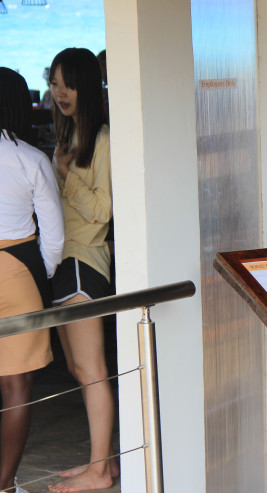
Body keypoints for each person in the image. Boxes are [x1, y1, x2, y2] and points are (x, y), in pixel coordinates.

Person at [47, 48, 117, 493]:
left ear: (86, 85)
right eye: (54, 83)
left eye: (68, 83)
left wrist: (66, 172)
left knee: (90, 368)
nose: (60, 92)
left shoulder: (102, 139)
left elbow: (104, 210)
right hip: (64, 260)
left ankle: (99, 470)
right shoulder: (68, 137)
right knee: (76, 366)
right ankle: (103, 462)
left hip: (85, 260)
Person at [0, 67, 64, 493]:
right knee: (16, 385)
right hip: (17, 271)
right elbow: (54, 238)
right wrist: (41, 274)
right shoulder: (30, 158)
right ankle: (4, 485)